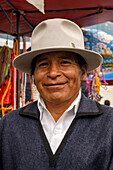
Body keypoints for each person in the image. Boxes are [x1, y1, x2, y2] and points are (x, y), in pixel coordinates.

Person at [0, 18, 113, 170]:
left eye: (65, 62)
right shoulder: (7, 126)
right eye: (43, 64)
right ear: (33, 75)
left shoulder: (109, 124)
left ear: (83, 71)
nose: (53, 73)